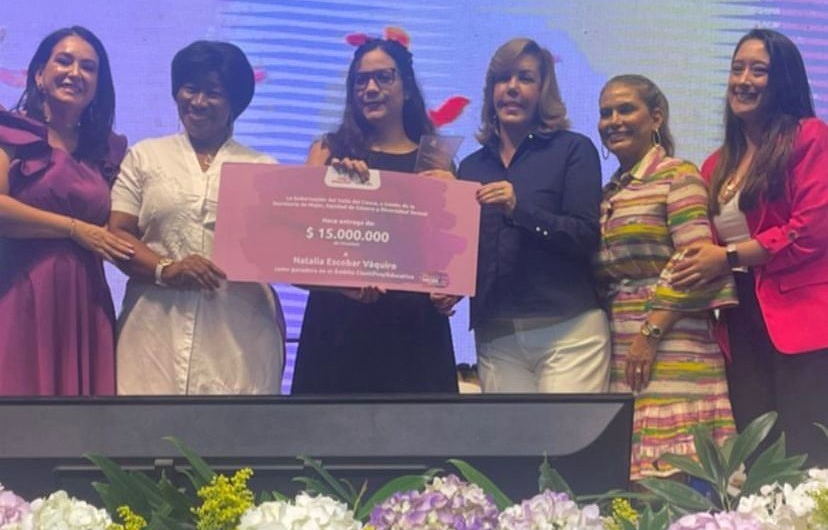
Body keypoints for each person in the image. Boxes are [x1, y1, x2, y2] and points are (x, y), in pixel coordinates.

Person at [671, 29, 828, 466]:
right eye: (737, 68)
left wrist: (729, 256)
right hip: (739, 317)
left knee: (808, 448)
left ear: (783, 81)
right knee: (757, 452)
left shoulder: (809, 136)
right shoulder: (714, 165)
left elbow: (811, 229)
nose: (743, 80)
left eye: (758, 70)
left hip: (801, 320)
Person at [109, 40, 285, 394]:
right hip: (152, 332)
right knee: (145, 426)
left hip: (238, 336)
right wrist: (166, 268)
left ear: (235, 102)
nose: (198, 101)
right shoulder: (145, 156)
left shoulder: (262, 168)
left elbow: (285, 253)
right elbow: (117, 234)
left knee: (235, 427)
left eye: (214, 93)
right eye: (190, 88)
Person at [291, 37, 458, 394]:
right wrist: (331, 188)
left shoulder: (435, 160)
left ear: (407, 88)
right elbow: (296, 256)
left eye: (383, 77)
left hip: (415, 334)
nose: (370, 89)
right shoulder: (328, 151)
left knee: (420, 430)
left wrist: (450, 291)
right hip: (337, 331)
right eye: (361, 80)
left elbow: (451, 257)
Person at [594, 75, 738, 480]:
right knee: (634, 485)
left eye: (626, 109)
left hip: (675, 346)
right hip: (625, 347)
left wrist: (651, 332)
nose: (614, 120)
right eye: (606, 113)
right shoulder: (609, 192)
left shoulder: (679, 175)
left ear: (656, 117)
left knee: (676, 482)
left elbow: (695, 263)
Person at [457, 37, 609, 393]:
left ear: (544, 90)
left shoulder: (573, 149)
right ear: (490, 91)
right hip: (496, 332)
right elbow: (466, 252)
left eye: (525, 78)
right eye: (502, 78)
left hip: (569, 329)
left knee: (567, 432)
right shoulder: (470, 166)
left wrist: (519, 209)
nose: (511, 88)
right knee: (510, 433)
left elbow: (585, 235)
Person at [0, 26, 133, 396]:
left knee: (84, 417)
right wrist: (74, 228)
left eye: (88, 67)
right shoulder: (10, 132)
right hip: (20, 291)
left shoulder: (107, 150)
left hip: (86, 297)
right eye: (64, 61)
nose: (75, 73)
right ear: (39, 75)